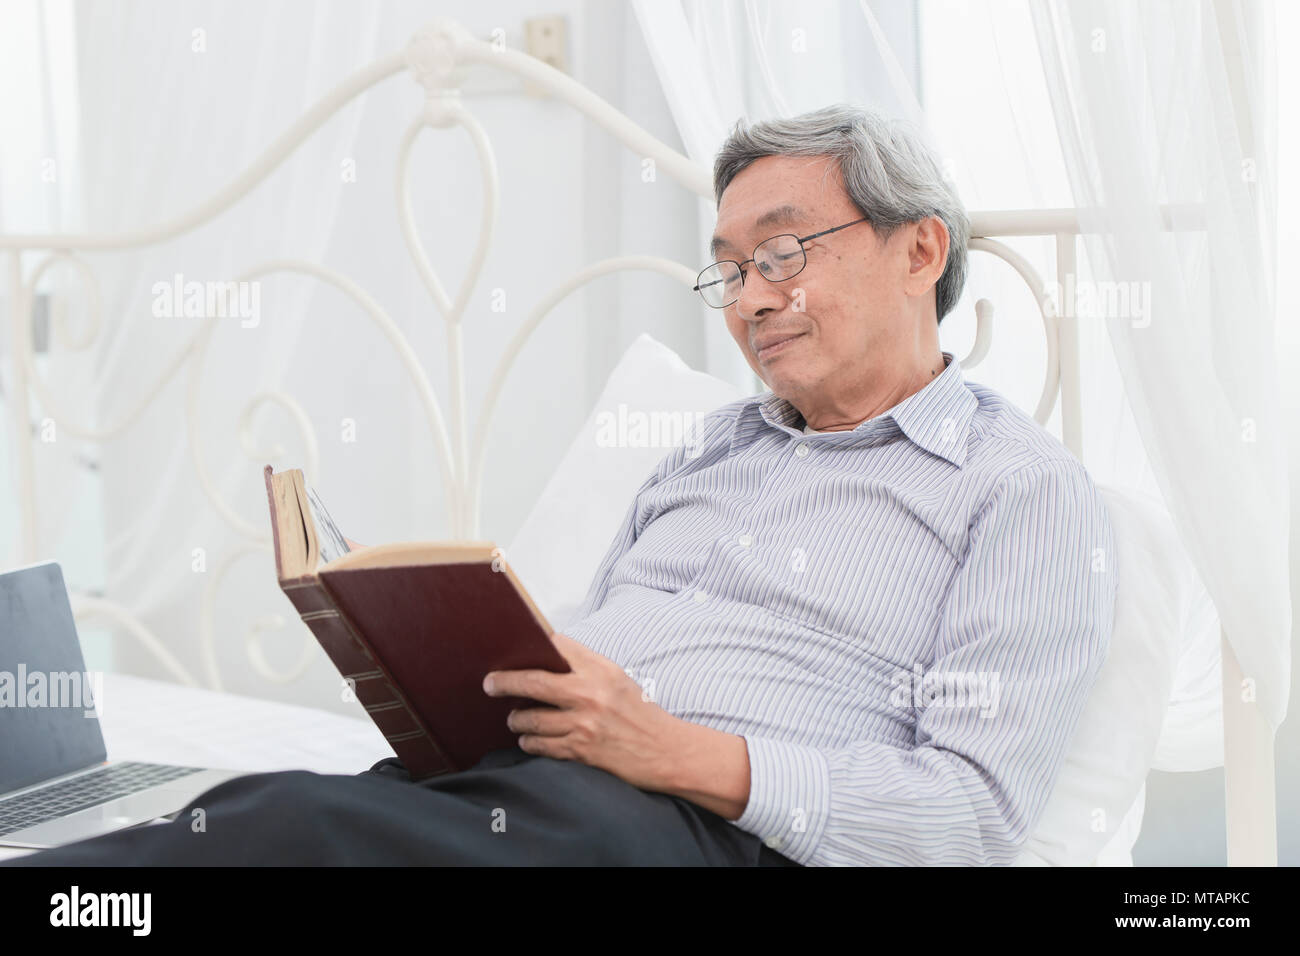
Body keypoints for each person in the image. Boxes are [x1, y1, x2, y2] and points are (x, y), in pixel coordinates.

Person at [6, 104, 1116, 867]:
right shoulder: (705, 450)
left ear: (919, 251)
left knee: (299, 829)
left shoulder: (1019, 493)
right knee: (253, 811)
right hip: (538, 798)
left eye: (781, 254)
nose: (748, 298)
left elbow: (970, 817)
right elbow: (587, 655)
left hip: (710, 833)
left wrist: (673, 752)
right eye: (727, 269)